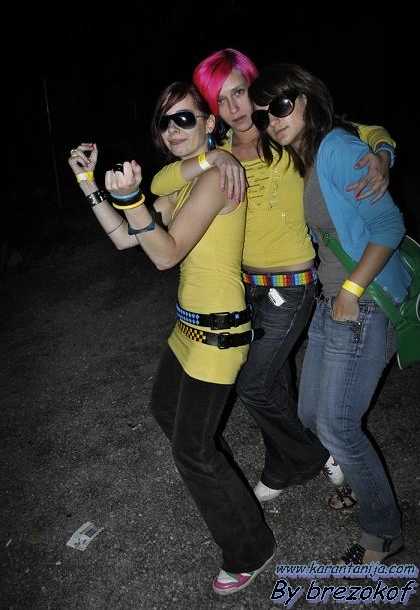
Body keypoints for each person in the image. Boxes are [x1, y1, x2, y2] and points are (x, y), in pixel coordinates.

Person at [150, 48, 396, 502]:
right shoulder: (218, 151)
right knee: (275, 380)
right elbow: (161, 182)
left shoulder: (284, 134)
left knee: (255, 383)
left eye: (239, 92)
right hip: (247, 287)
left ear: (254, 87)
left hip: (292, 286)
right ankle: (281, 468)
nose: (234, 107)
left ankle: (315, 455)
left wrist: (381, 154)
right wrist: (210, 161)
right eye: (220, 100)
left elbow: (364, 131)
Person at [68, 81, 276, 596]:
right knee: (166, 409)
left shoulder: (219, 176)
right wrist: (91, 185)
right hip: (187, 329)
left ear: (209, 122)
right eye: (165, 122)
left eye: (185, 118)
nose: (174, 130)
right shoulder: (185, 182)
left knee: (193, 448)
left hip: (218, 333)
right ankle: (231, 497)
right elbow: (126, 238)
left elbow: (165, 254)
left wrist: (132, 200)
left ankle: (250, 549)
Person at [248, 62, 410, 565]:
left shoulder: (336, 149)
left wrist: (351, 289)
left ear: (304, 99)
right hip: (331, 297)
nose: (273, 120)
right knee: (310, 415)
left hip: (361, 300)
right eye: (264, 114)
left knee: (338, 426)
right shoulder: (304, 153)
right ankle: (363, 484)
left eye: (280, 106)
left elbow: (389, 227)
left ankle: (383, 535)